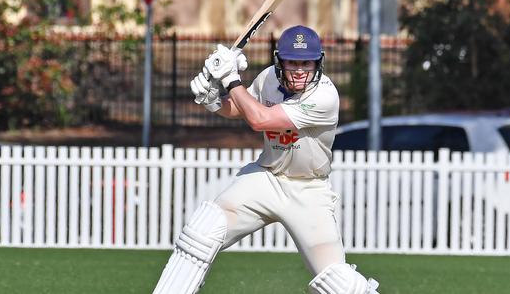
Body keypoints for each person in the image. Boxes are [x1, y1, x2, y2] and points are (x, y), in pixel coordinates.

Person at [152, 25, 380, 294]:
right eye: (292, 62)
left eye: (306, 62)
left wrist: (230, 78)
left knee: (340, 283)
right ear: (279, 60)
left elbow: (260, 120)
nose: (298, 70)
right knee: (203, 230)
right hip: (266, 178)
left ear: (318, 62)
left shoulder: (324, 96)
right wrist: (212, 98)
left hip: (308, 190)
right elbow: (240, 107)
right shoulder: (269, 78)